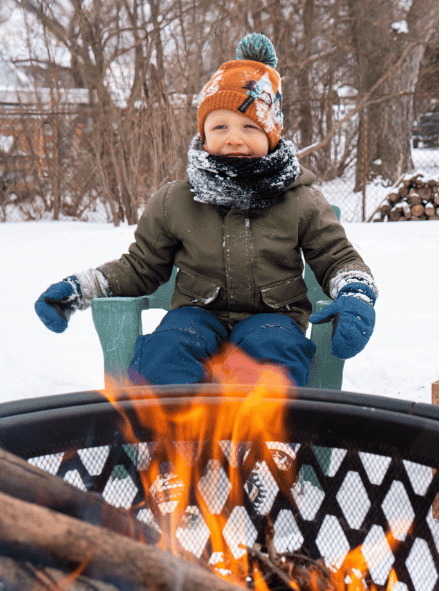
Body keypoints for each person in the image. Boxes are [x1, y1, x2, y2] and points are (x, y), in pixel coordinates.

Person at [34, 33, 377, 387]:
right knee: (166, 349)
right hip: (195, 316)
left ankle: (269, 440)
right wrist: (81, 289)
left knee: (275, 354)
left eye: (250, 126)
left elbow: (336, 257)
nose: (234, 138)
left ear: (272, 134)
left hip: (273, 319)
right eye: (220, 126)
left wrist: (356, 295)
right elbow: (140, 266)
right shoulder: (176, 202)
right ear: (203, 134)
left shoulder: (300, 201)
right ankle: (174, 437)